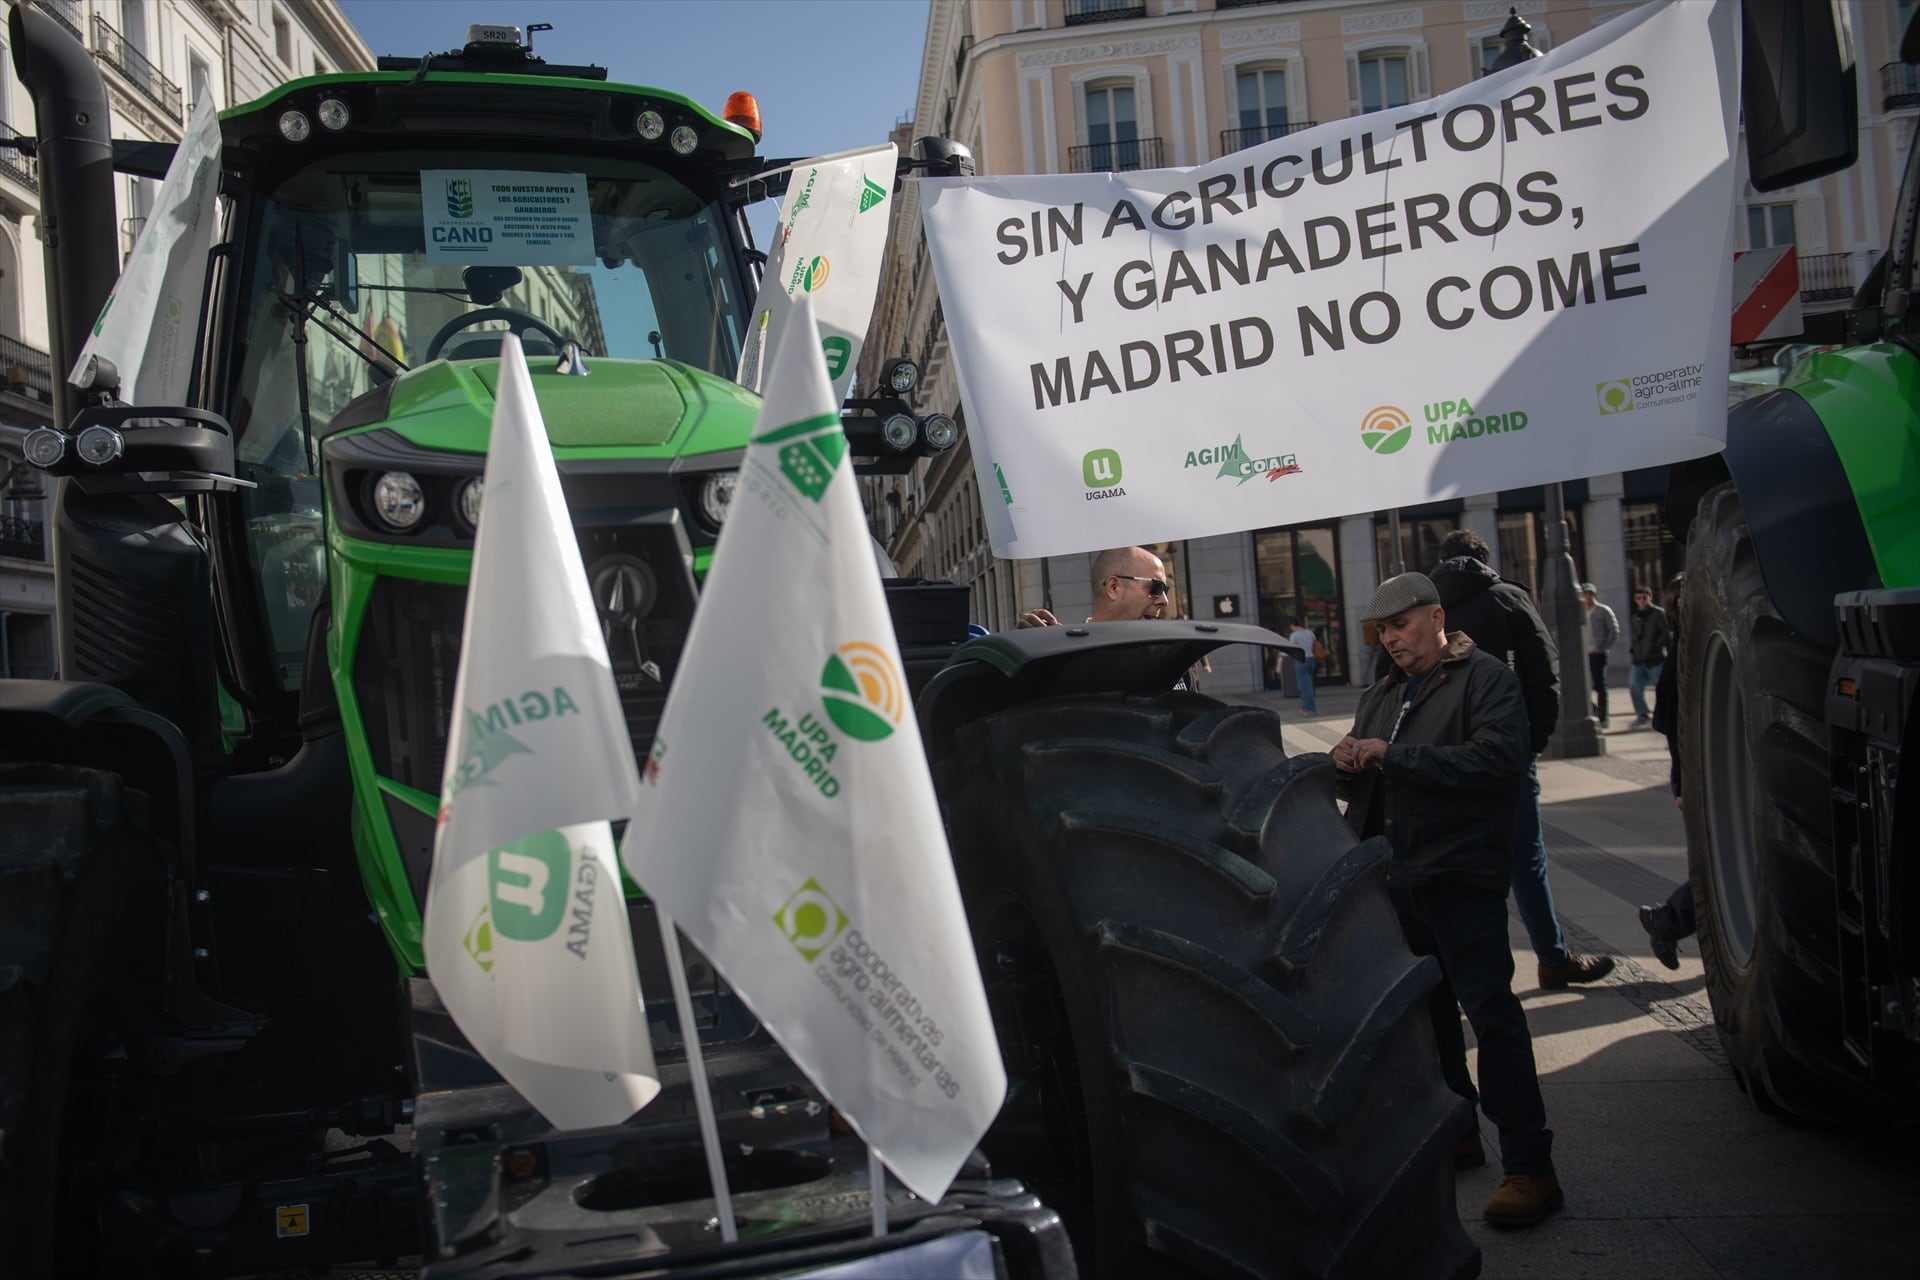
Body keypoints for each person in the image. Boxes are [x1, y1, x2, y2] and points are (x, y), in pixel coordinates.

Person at [1334, 572, 1564, 1228]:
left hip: (1460, 875)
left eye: (1400, 626)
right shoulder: (1381, 691)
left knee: (1492, 1017)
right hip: (1397, 880)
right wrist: (1347, 761)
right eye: (1382, 631)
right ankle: (1459, 1132)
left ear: (1436, 617)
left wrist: (1395, 757)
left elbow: (1498, 761)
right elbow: (1369, 777)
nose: (1391, 640)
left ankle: (1531, 1166)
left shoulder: (1485, 677)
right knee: (1429, 1021)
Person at [1431, 530, 1614, 989]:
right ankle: (1552, 958)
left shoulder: (1426, 607)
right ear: (1484, 558)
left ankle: (1450, 974)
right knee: (1523, 856)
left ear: (1441, 560)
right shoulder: (1508, 597)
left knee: (1449, 858)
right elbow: (1543, 670)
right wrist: (1534, 740)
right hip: (1505, 748)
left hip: (1443, 749)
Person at [1641, 573, 1694, 969]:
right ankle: (1668, 919)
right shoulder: (1683, 653)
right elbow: (1669, 721)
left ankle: (1669, 919)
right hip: (1700, 777)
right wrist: (1680, 782)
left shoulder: (1687, 649)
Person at [1018, 545, 1169, 627]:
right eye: (1156, 588)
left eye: (1165, 590)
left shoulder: (1173, 659)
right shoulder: (1066, 657)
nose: (1164, 601)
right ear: (1114, 587)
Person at [1627, 583, 1670, 728]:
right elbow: (1635, 636)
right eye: (1638, 598)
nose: (1641, 601)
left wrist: (1656, 647)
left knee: (1660, 688)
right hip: (1639, 659)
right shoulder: (1636, 616)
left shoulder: (1658, 613)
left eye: (1644, 597)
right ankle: (1642, 713)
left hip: (1655, 659)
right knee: (1634, 685)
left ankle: (1663, 713)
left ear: (1650, 597)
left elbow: (1665, 634)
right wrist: (1634, 650)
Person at [1581, 582, 1620, 727]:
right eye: (1585, 594)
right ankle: (1595, 711)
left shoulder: (1603, 610)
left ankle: (1603, 716)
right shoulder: (1579, 610)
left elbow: (1614, 631)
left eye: (1590, 594)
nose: (1587, 596)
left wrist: (1603, 647)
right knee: (1583, 687)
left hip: (1598, 653)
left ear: (1594, 595)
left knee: (1600, 686)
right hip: (1584, 654)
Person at [1286, 616, 1319, 713]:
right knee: (1308, 685)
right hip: (1311, 659)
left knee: (1304, 687)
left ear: (1293, 625)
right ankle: (1305, 707)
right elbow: (1313, 643)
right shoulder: (1309, 632)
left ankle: (1309, 709)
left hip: (1301, 660)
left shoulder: (1294, 635)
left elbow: (1291, 648)